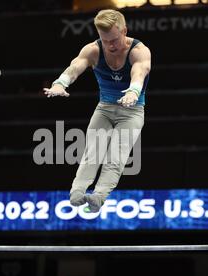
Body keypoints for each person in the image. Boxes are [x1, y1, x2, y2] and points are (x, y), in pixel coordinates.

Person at [43, 9, 151, 212]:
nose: (110, 45)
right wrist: (60, 83)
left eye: (114, 40)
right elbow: (75, 66)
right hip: (105, 109)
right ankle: (77, 191)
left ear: (124, 31)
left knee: (116, 156)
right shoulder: (93, 50)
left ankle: (98, 196)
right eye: (105, 40)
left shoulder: (139, 51)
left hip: (133, 110)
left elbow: (140, 71)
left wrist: (134, 91)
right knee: (92, 151)